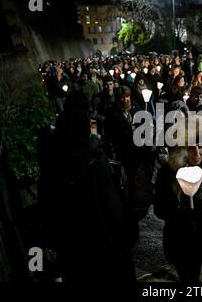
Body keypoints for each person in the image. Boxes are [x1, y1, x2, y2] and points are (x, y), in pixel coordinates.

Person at [54, 90, 136, 284]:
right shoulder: (93, 161)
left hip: (77, 246)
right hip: (105, 241)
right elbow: (112, 207)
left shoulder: (56, 160)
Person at [154, 115, 202, 283]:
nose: (197, 152)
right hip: (180, 241)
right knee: (189, 277)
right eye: (191, 147)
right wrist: (179, 214)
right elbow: (159, 208)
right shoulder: (168, 173)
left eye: (201, 145)